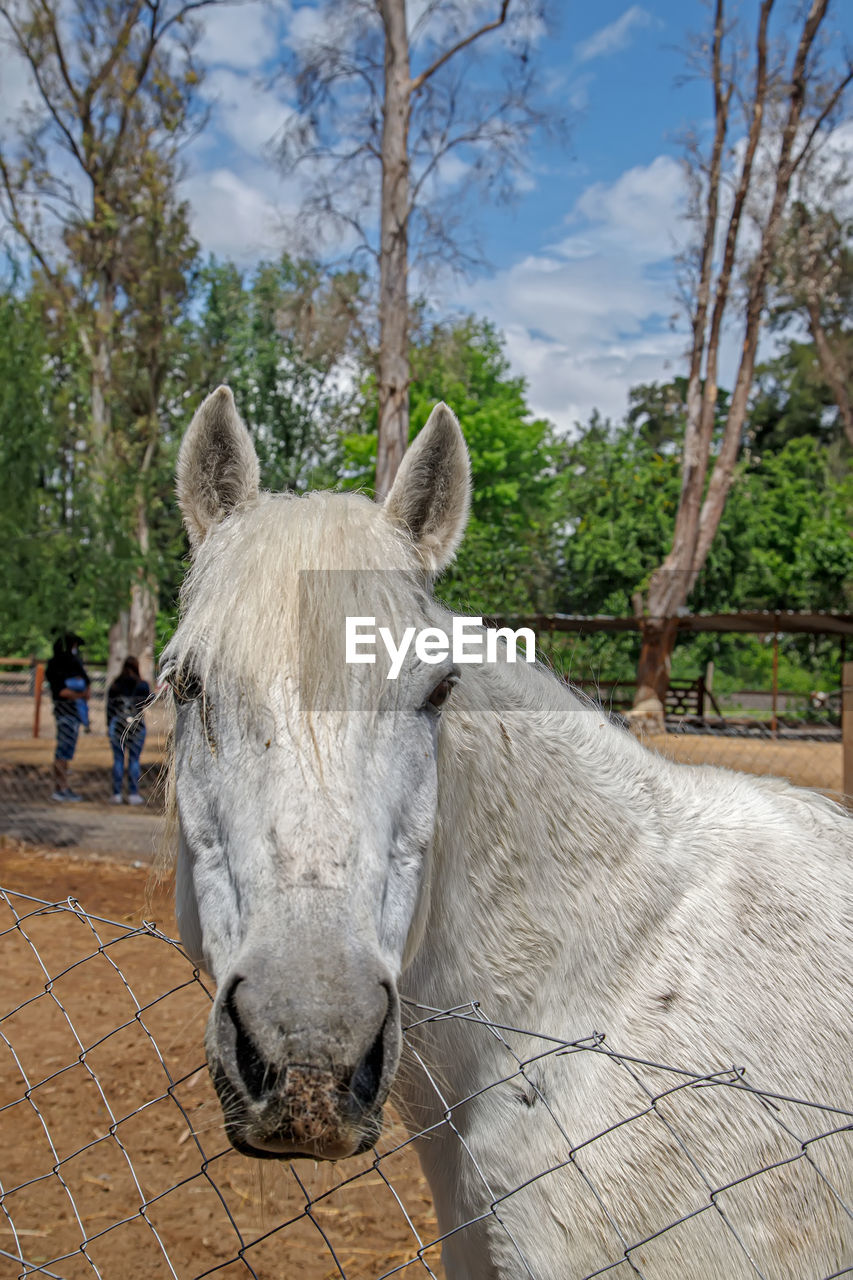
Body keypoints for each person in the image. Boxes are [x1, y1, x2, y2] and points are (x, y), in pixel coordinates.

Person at [45, 632, 91, 802]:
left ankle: (61, 786)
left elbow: (86, 687)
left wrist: (78, 694)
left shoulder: (74, 664)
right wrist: (78, 695)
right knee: (63, 752)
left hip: (74, 714)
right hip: (65, 714)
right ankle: (62, 787)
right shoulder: (56, 666)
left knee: (66, 752)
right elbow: (61, 692)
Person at [106, 656, 150, 805]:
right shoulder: (142, 685)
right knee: (134, 760)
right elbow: (148, 701)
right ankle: (133, 794)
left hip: (117, 724)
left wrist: (108, 724)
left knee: (118, 760)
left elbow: (109, 707)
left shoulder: (116, 684)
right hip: (136, 726)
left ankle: (116, 794)